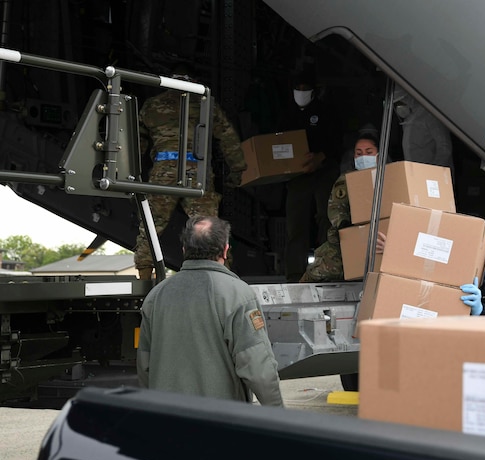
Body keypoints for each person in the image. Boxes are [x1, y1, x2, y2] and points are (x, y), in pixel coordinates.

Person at [137, 215, 283, 406]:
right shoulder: (238, 295)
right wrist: (279, 413)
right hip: (219, 422)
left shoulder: (155, 297)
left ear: (183, 250)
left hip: (167, 420)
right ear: (225, 250)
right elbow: (258, 368)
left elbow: (144, 366)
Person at [133, 67, 247, 281]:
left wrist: (132, 173)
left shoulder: (151, 106)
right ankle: (224, 278)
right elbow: (227, 137)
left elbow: (136, 143)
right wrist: (238, 168)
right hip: (197, 173)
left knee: (151, 224)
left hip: (163, 170)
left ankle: (144, 276)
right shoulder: (204, 104)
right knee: (208, 226)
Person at [281, 71, 344, 281]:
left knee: (326, 219)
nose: (300, 93)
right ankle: (294, 274)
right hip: (297, 174)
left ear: (314, 91)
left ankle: (324, 269)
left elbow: (337, 141)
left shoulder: (326, 112)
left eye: (304, 89)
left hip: (324, 171)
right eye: (297, 89)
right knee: (296, 222)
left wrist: (321, 157)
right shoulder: (287, 113)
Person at [299, 131, 386, 282]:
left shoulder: (390, 177)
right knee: (317, 271)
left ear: (379, 155)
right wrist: (345, 226)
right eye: (359, 153)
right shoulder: (346, 180)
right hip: (347, 239)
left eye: (369, 152)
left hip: (382, 241)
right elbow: (335, 208)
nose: (363, 156)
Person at [392, 87, 454, 171]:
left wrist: (434, 171)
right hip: (416, 173)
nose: (399, 107)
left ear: (409, 98)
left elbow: (444, 147)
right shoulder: (407, 122)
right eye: (395, 105)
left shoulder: (430, 116)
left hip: (433, 175)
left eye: (400, 103)